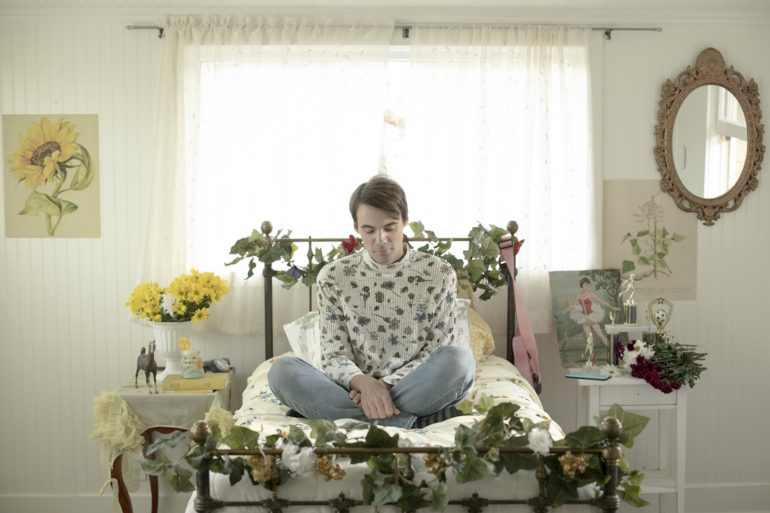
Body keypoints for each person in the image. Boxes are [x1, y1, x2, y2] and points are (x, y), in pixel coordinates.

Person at [268, 175, 475, 429]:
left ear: (405, 221)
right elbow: (334, 355)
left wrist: (383, 386)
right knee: (282, 372)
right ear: (356, 227)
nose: (381, 239)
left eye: (390, 227)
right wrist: (364, 385)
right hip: (353, 388)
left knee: (459, 362)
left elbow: (437, 348)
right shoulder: (333, 276)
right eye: (369, 230)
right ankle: (406, 420)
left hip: (413, 386)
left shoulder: (439, 273)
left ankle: (353, 416)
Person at [563, 277, 617, 352]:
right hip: (585, 318)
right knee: (589, 339)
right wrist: (564, 311)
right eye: (585, 285)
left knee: (600, 335)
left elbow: (601, 301)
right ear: (581, 285)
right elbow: (573, 305)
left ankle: (613, 350)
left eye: (588, 285)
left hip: (592, 317)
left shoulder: (591, 294)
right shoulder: (578, 296)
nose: (587, 287)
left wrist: (612, 307)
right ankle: (591, 355)